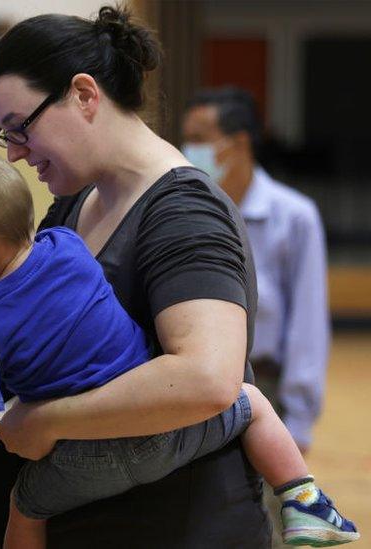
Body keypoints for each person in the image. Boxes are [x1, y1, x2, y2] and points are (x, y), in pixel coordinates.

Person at [0, 6, 270, 547]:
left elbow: (207, 379)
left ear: (84, 94)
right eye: (4, 136)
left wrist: (48, 421)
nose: (18, 154)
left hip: (168, 528)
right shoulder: (74, 201)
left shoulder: (183, 212)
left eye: (21, 128)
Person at [0, 152, 357, 547]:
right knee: (252, 403)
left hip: (91, 452)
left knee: (26, 503)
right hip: (166, 422)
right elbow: (28, 278)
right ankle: (305, 500)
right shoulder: (65, 244)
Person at [182, 86, 332, 548]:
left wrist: (300, 418)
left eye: (200, 138)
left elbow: (308, 322)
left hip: (267, 390)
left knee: (271, 519)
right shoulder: (185, 207)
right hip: (196, 386)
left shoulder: (293, 216)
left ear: (239, 143)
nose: (191, 151)